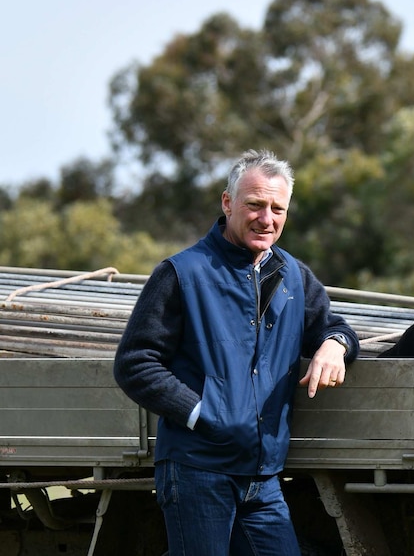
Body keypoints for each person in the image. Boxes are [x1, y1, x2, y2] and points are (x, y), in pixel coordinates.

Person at [114, 149, 359, 556]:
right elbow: (135, 363)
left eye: (278, 208)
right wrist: (204, 414)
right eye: (255, 205)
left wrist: (336, 345)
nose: (267, 219)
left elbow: (335, 327)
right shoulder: (181, 273)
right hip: (197, 469)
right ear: (227, 203)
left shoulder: (294, 276)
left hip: (263, 476)